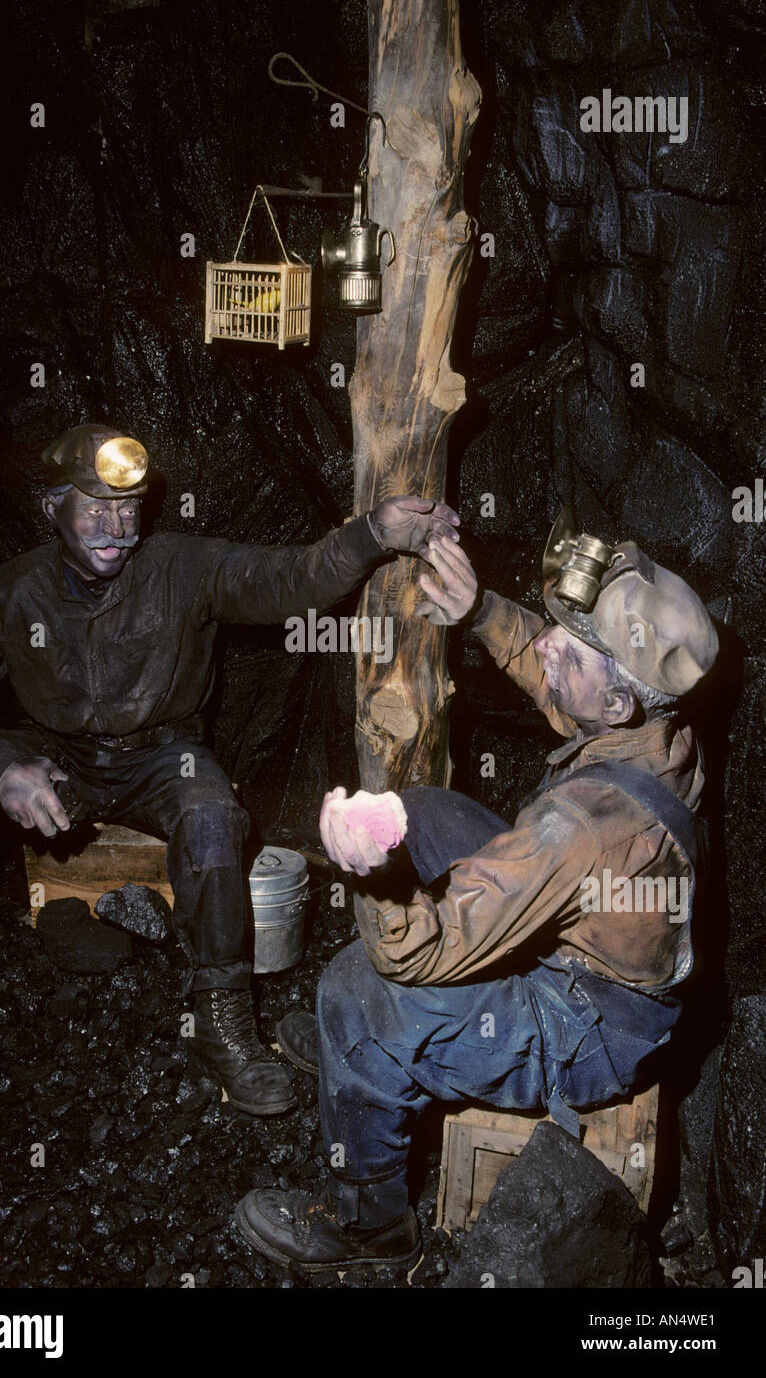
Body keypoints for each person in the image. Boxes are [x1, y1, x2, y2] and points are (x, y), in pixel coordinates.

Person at [0, 422, 462, 1117]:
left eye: (130, 506)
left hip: (161, 755)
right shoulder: (8, 590)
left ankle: (222, 1019)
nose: (117, 526)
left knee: (211, 816)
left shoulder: (183, 566)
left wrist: (372, 533)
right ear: (51, 507)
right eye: (95, 506)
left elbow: (290, 579)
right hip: (55, 755)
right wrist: (2, 766)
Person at [235, 511, 719, 1269]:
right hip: (590, 932)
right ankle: (353, 1058)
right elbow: (560, 680)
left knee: (357, 993)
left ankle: (372, 1226)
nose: (550, 646)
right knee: (423, 812)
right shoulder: (655, 729)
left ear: (619, 701)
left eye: (572, 645)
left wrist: (375, 876)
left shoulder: (581, 826)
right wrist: (484, 611)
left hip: (588, 1025)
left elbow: (414, 956)